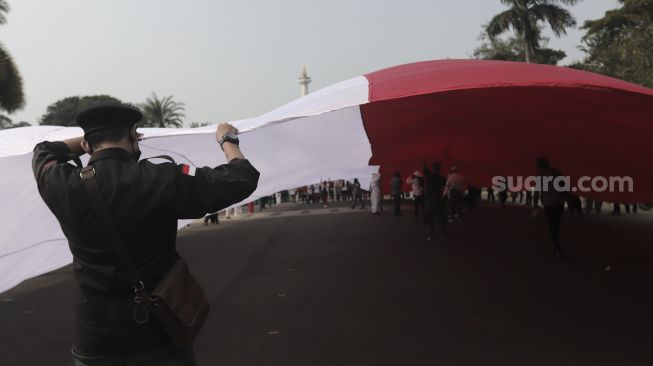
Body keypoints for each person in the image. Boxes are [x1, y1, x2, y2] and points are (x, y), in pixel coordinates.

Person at [32, 102, 259, 364]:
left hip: (94, 338)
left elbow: (44, 151)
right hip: (158, 333)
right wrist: (228, 140)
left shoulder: (61, 183)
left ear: (86, 145)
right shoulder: (161, 177)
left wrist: (88, 139)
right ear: (133, 135)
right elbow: (241, 177)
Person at [537, 157, 565, 259]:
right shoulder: (556, 172)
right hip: (559, 202)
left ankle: (556, 248)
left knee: (552, 226)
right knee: (556, 226)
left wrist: (540, 201)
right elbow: (563, 186)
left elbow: (540, 190)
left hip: (549, 203)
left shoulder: (540, 175)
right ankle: (555, 245)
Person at [423, 162, 447, 240]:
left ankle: (430, 235)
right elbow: (445, 185)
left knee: (430, 218)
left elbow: (424, 168)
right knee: (440, 218)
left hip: (430, 199)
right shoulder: (441, 177)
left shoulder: (429, 175)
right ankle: (442, 235)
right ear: (440, 168)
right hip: (438, 198)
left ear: (432, 168)